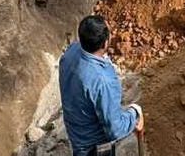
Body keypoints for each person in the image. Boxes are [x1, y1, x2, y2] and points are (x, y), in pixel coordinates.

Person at [60, 15, 143, 156]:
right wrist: (135, 113)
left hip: (76, 133)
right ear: (105, 44)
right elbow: (115, 130)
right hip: (93, 147)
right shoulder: (103, 81)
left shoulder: (71, 51)